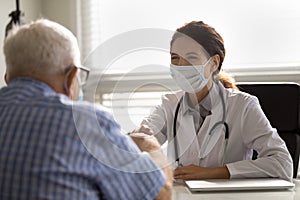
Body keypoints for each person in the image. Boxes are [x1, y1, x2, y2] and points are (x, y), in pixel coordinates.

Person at [0, 19, 172, 199]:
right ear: (71, 76)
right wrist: (149, 145)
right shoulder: (85, 123)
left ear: (8, 77)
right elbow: (160, 194)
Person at [134, 21, 293, 181]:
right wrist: (136, 140)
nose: (181, 65)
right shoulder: (169, 104)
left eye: (191, 57)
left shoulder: (243, 106)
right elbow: (143, 138)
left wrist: (213, 172)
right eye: (175, 58)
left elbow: (282, 163)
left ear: (214, 64)